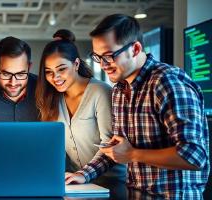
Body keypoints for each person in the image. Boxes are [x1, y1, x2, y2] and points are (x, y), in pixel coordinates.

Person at [89, 14, 209, 198]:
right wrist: (83, 175)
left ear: (135, 48)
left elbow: (193, 156)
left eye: (109, 56)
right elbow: (118, 149)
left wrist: (133, 154)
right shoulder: (120, 90)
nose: (104, 65)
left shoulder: (167, 82)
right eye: (98, 57)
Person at [36, 40, 126, 185]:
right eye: (48, 72)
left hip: (112, 182)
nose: (55, 77)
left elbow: (110, 145)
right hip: (78, 183)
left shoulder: (100, 92)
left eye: (61, 69)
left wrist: (83, 174)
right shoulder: (52, 99)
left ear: (76, 64)